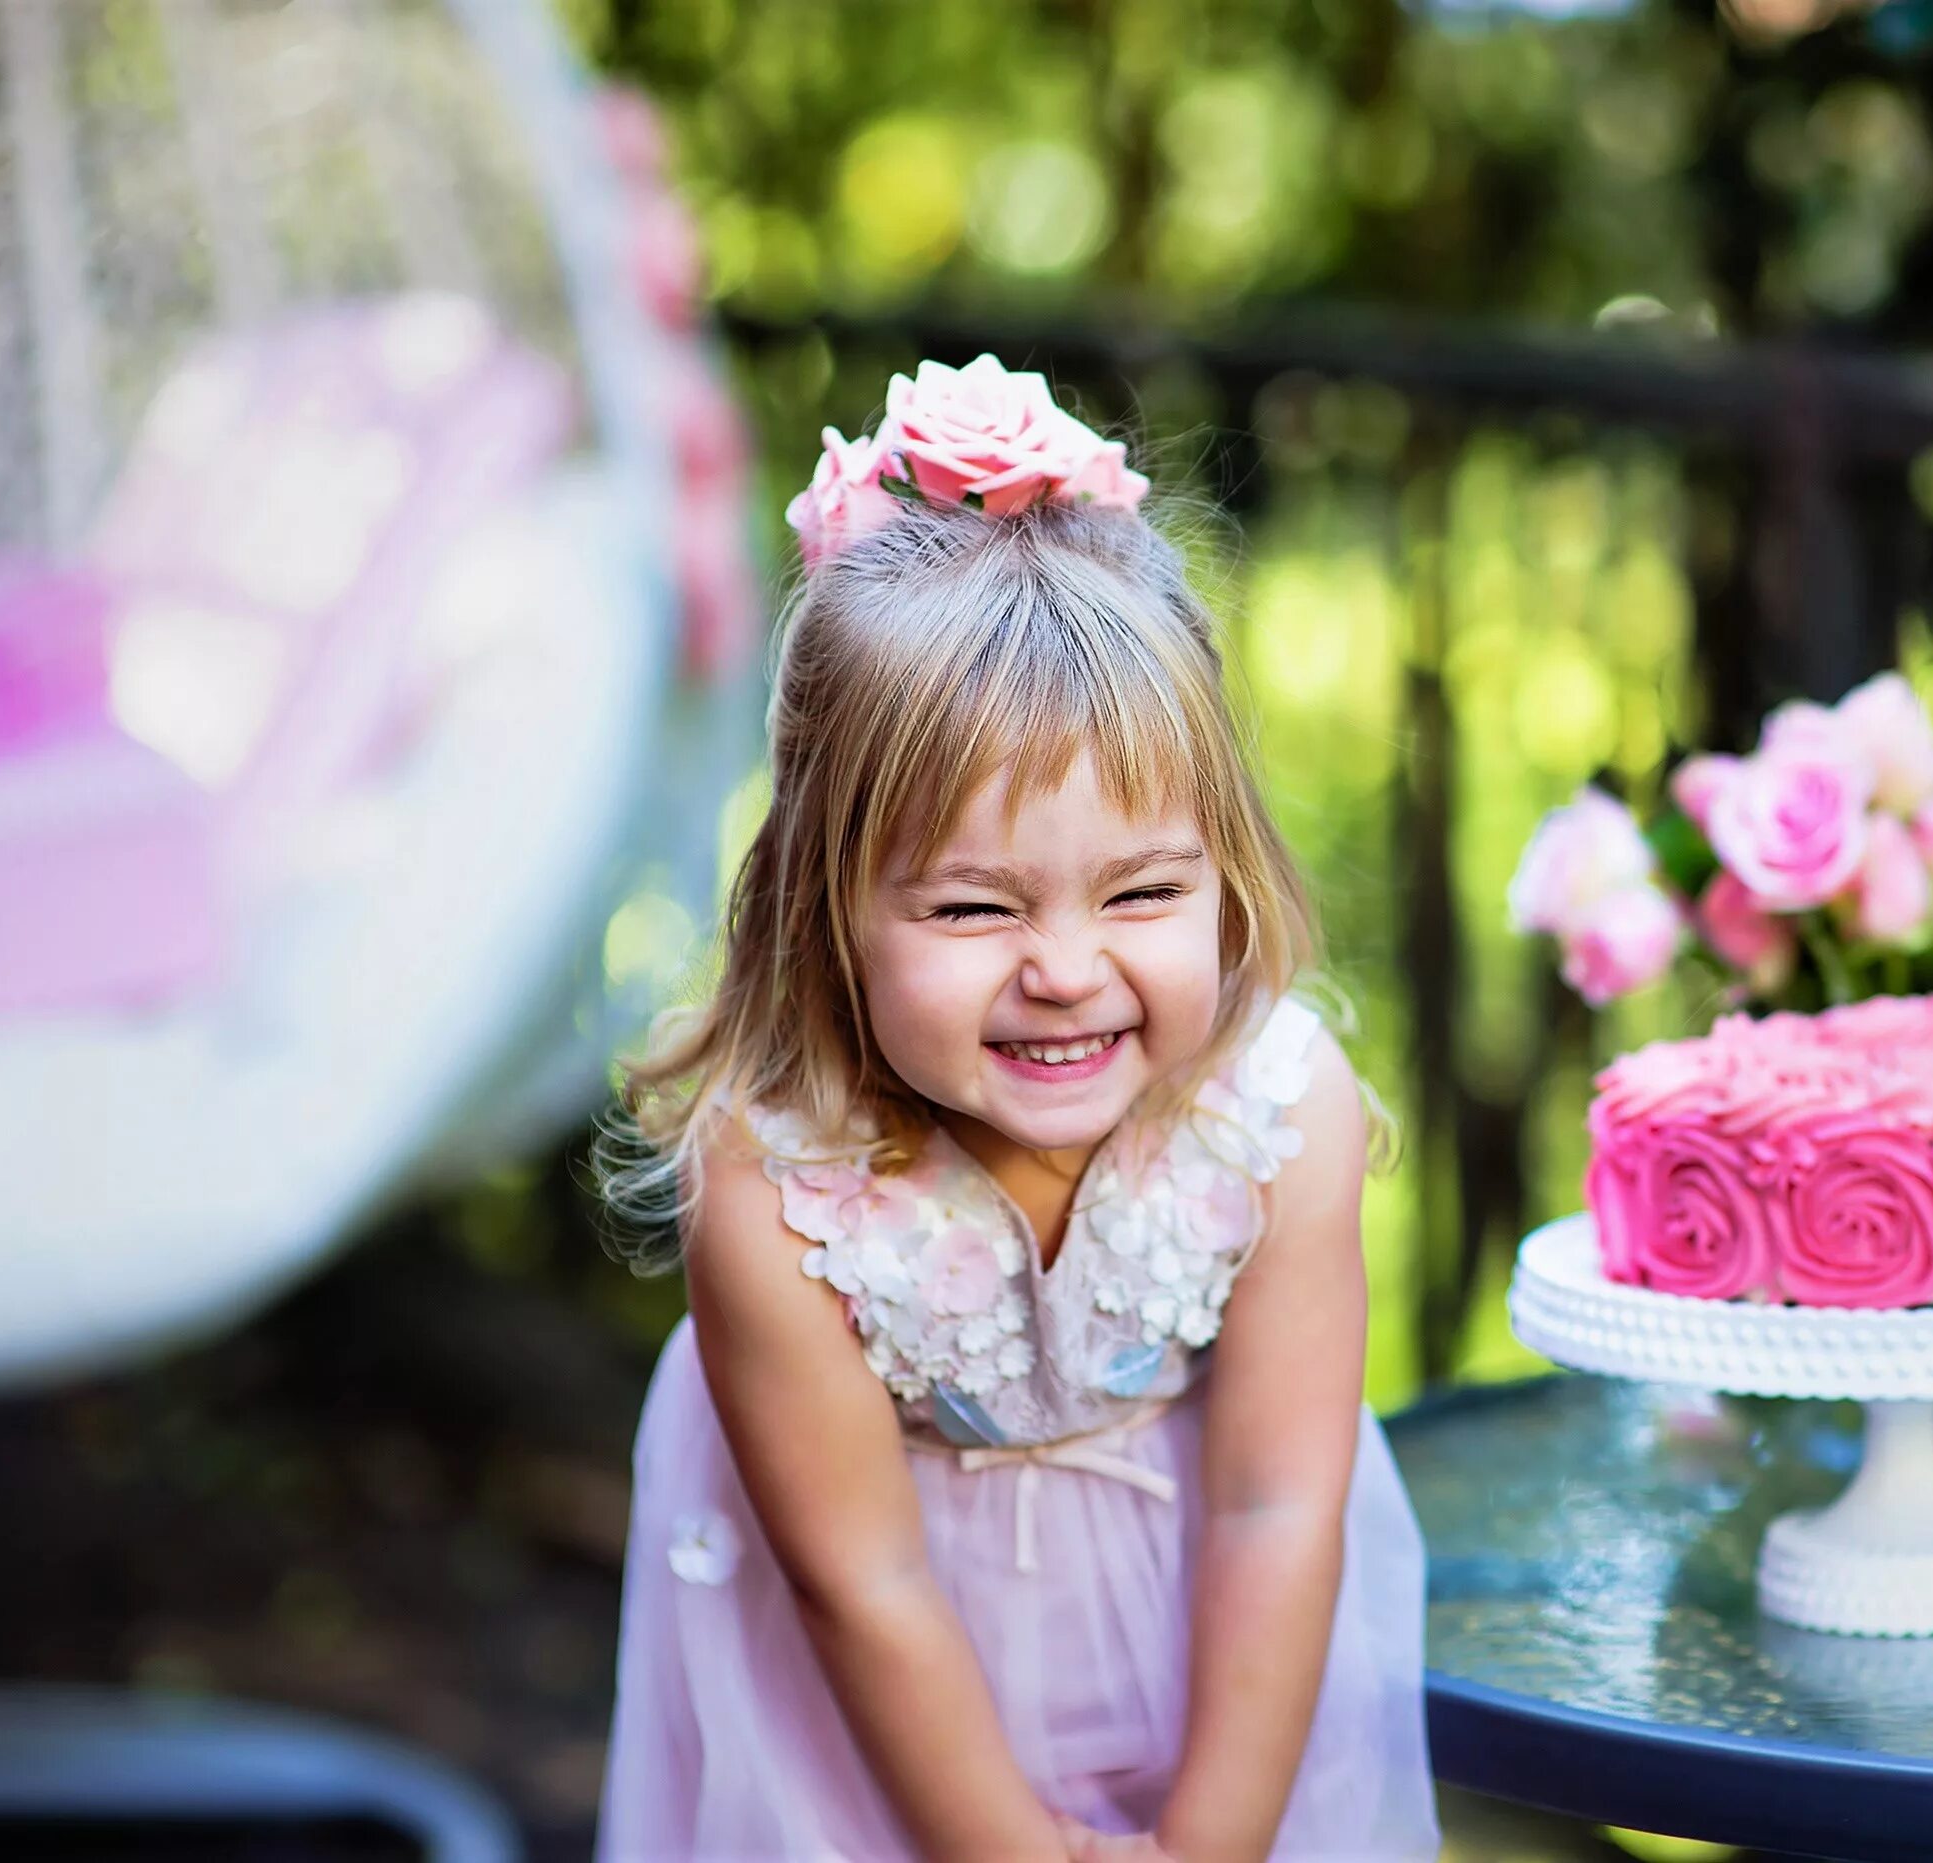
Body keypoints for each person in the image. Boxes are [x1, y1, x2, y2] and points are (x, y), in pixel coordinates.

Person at [593, 356, 1440, 1860]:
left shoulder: (1278, 1117)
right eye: (975, 906)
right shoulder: (777, 1194)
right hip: (881, 1708)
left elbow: (1275, 1505)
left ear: (1224, 870)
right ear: (826, 904)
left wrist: (1210, 1846)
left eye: (1146, 892)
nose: (1066, 970)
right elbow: (865, 1584)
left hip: (1222, 1666)